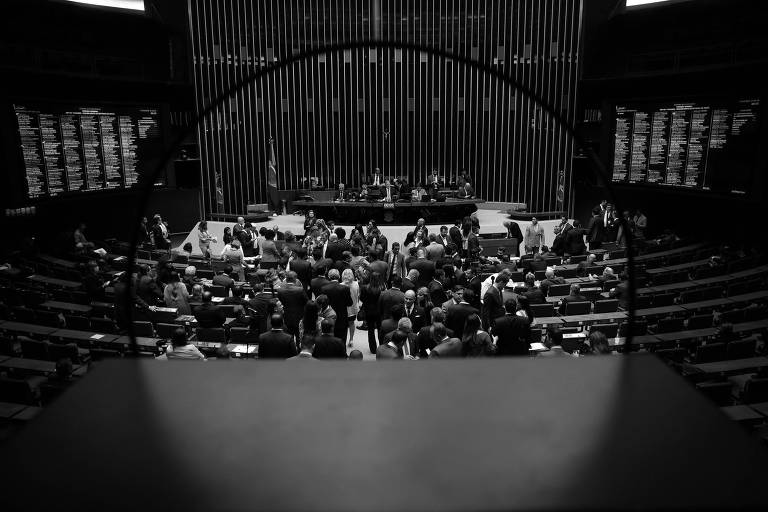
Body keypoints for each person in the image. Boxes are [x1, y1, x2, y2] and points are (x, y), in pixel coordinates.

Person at [277, 271, 308, 343]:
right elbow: (307, 302)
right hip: (299, 316)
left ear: (286, 279)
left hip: (286, 316)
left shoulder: (280, 290)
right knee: (299, 337)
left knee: (288, 337)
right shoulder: (300, 290)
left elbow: (279, 303)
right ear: (295, 279)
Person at [360, 271, 386, 354]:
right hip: (379, 312)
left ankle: (373, 349)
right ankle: (381, 347)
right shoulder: (382, 288)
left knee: (370, 330)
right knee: (380, 330)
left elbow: (361, 299)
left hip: (369, 312)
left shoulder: (364, 288)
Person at [341, 268, 360, 347]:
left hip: (344, 309)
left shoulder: (340, 285)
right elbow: (358, 296)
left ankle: (343, 340)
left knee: (343, 325)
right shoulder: (356, 284)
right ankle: (351, 340)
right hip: (353, 308)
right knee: (352, 323)